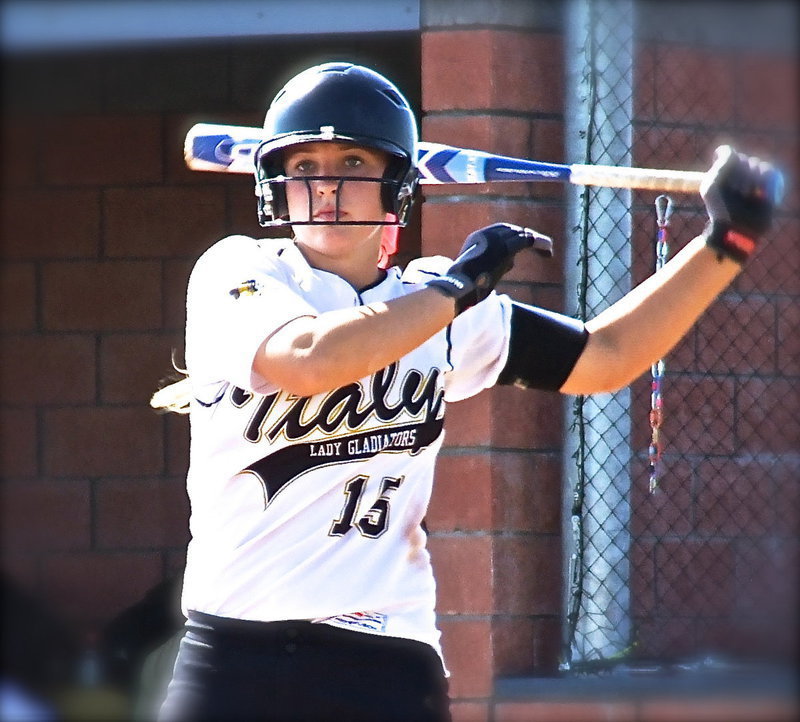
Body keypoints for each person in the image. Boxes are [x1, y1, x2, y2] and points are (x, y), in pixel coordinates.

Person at [151, 62, 779, 722]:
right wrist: (456, 290)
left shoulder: (436, 303)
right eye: (305, 165)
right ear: (276, 182)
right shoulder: (241, 271)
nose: (327, 187)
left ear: (396, 182)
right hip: (234, 652)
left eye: (354, 163)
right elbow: (310, 360)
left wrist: (725, 244)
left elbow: (607, 356)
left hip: (384, 658)